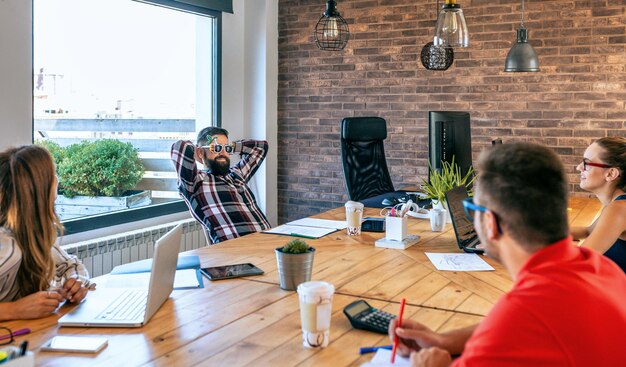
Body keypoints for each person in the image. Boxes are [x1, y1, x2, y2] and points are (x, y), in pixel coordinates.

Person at [388, 143, 626, 367]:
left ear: (490, 223)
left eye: (473, 209)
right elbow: (514, 326)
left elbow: (517, 323)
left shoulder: (527, 309)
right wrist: (443, 341)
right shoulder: (603, 269)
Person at [0, 145, 93, 321]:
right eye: (52, 175)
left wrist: (77, 281)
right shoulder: (8, 247)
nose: (57, 179)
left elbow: (69, 265)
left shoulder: (31, 232)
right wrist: (14, 310)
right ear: (40, 190)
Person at [171, 127, 271, 243]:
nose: (223, 152)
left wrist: (232, 146)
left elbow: (261, 147)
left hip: (267, 242)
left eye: (227, 149)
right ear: (200, 152)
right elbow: (179, 147)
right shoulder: (195, 182)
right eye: (216, 148)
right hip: (235, 250)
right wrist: (200, 150)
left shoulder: (237, 174)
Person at [570, 137, 626, 272]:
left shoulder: (619, 209)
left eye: (586, 163)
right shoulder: (616, 204)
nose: (578, 167)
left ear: (611, 173)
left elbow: (580, 260)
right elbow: (588, 231)